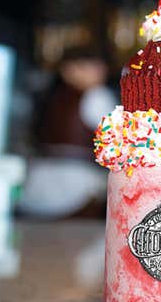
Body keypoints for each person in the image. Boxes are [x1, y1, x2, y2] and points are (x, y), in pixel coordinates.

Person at [19, 46, 117, 218]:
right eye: (90, 66)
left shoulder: (47, 96)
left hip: (35, 186)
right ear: (67, 70)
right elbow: (116, 144)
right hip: (80, 189)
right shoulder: (97, 96)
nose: (99, 72)